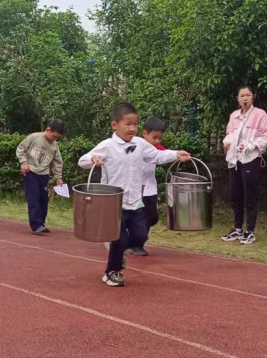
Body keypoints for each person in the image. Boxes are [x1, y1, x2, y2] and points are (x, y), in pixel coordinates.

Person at [79, 103, 190, 287]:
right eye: (127, 124)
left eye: (135, 124)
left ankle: (117, 249)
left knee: (140, 236)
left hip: (135, 201)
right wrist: (93, 159)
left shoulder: (140, 144)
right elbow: (82, 161)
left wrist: (176, 154)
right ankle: (111, 271)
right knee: (119, 238)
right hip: (114, 204)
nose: (132, 128)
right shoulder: (107, 146)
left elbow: (157, 156)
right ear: (115, 125)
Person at [221, 85, 267, 245]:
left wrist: (251, 146)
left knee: (250, 195)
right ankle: (237, 229)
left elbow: (266, 136)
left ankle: (250, 230)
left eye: (248, 95)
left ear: (253, 97)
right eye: (242, 95)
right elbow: (229, 135)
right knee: (235, 195)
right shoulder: (234, 116)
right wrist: (226, 143)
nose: (245, 98)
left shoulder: (260, 115)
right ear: (238, 98)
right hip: (234, 160)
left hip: (250, 159)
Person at [125, 117, 167, 257]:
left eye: (159, 138)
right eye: (154, 138)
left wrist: (178, 155)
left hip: (151, 188)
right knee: (140, 218)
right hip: (137, 189)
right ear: (144, 133)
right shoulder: (135, 146)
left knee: (152, 217)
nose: (157, 141)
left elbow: (163, 154)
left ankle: (135, 236)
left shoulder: (156, 149)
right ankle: (137, 244)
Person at [16, 119, 65, 235]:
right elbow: (20, 149)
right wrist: (23, 163)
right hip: (31, 172)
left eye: (57, 138)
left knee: (43, 200)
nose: (55, 139)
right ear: (48, 130)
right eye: (54, 136)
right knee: (33, 198)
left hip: (44, 175)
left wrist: (58, 178)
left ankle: (41, 223)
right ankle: (36, 225)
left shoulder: (54, 146)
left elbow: (58, 162)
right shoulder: (34, 137)